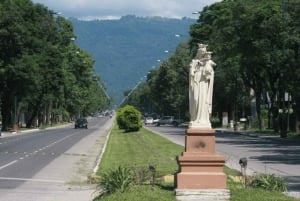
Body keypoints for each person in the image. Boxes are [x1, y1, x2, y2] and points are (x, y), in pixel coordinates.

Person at [189, 45, 216, 128]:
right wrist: (193, 71)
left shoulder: (208, 62)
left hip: (204, 83)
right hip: (196, 82)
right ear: (199, 52)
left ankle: (204, 119)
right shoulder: (194, 61)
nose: (202, 54)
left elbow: (211, 72)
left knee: (204, 101)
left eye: (204, 52)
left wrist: (208, 72)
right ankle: (194, 118)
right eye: (201, 52)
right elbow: (191, 72)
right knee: (196, 99)